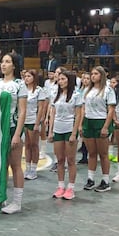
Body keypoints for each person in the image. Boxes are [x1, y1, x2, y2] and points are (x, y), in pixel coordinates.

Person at [0, 53, 27, 214]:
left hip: (12, 127)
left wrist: (17, 134)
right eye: (2, 62)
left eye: (8, 62)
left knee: (15, 164)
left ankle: (17, 202)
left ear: (14, 65)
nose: (3, 64)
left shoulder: (20, 84)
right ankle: (0, 197)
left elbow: (23, 111)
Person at [78, 66, 116, 192]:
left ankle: (105, 180)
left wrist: (105, 126)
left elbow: (111, 110)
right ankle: (91, 179)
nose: (93, 76)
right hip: (88, 121)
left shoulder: (108, 90)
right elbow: (83, 108)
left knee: (103, 154)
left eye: (96, 74)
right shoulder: (87, 90)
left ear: (102, 75)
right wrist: (80, 124)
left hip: (101, 121)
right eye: (92, 74)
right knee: (92, 153)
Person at [48, 71, 81, 199]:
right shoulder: (56, 94)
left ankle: (71, 188)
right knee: (60, 159)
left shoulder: (76, 95)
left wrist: (74, 133)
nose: (60, 81)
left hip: (69, 128)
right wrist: (50, 131)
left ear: (70, 80)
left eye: (63, 79)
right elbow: (53, 114)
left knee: (71, 160)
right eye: (59, 79)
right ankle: (60, 186)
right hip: (58, 129)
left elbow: (78, 115)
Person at [22, 69, 48, 181]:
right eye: (25, 76)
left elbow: (41, 108)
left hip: (33, 120)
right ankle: (27, 167)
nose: (26, 78)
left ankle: (33, 169)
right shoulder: (22, 90)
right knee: (27, 145)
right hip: (24, 120)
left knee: (34, 145)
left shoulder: (39, 90)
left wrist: (38, 123)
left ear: (34, 78)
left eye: (29, 76)